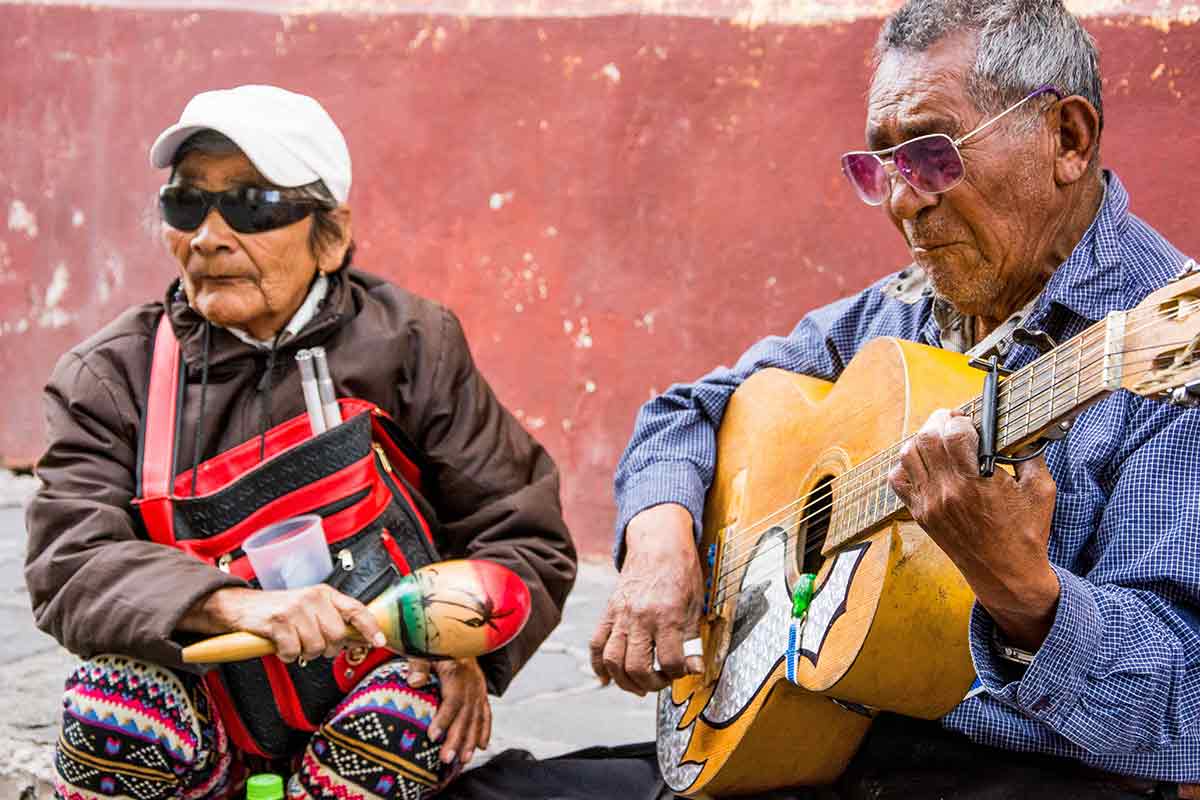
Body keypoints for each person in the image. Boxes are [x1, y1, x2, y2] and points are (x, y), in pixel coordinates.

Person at [593, 1, 1200, 797]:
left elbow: (1184, 715)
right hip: (824, 731)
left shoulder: (1169, 358)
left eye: (932, 156)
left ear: (1068, 139)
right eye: (879, 167)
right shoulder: (901, 311)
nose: (901, 201)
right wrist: (660, 537)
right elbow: (685, 413)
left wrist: (1027, 598)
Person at [25, 84, 577, 800]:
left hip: (370, 687)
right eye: (185, 204)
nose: (209, 237)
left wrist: (461, 640)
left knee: (413, 714)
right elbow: (71, 560)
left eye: (253, 206)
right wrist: (230, 606)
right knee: (114, 706)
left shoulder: (411, 344)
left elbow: (524, 533)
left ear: (332, 234)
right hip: (203, 703)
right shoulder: (109, 375)